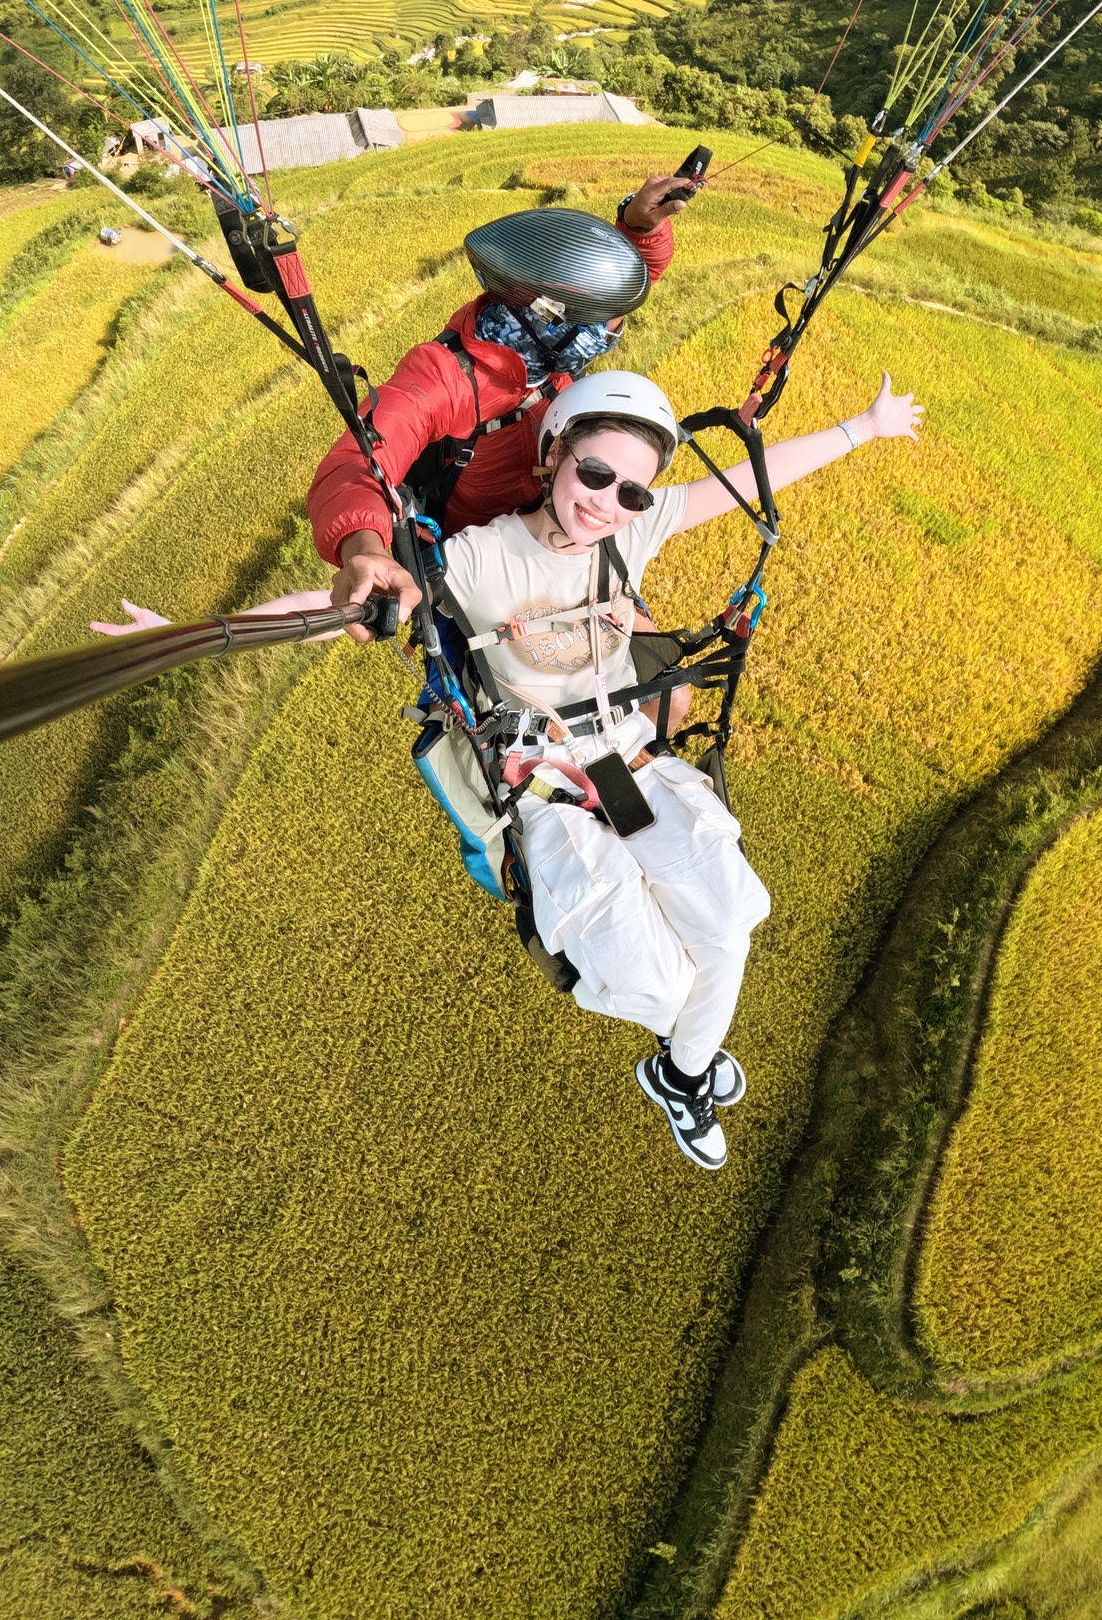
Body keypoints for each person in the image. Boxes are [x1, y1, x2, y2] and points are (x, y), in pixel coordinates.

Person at [423, 366, 924, 1170]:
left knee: (728, 925)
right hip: (544, 781)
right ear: (554, 456)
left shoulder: (630, 532)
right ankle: (687, 1060)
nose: (605, 502)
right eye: (592, 474)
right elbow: (354, 606)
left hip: (622, 760)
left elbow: (743, 488)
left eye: (630, 491)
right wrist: (206, 629)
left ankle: (681, 1071)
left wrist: (861, 429)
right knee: (658, 986)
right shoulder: (482, 559)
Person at [309, 176, 694, 643]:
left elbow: (622, 285)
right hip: (482, 561)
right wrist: (365, 549)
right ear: (549, 318)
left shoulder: (545, 353)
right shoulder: (444, 378)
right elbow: (356, 463)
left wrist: (638, 229)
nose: (610, 335)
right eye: (600, 325)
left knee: (664, 692)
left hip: (559, 525)